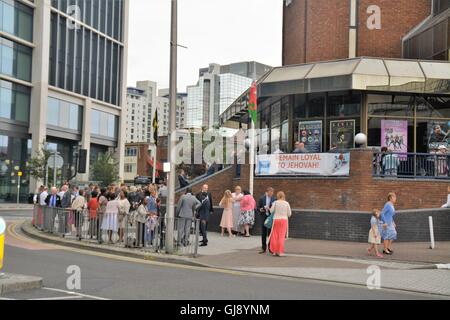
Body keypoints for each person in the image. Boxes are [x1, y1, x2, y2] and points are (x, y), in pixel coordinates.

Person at [268, 191, 292, 257]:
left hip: (276, 220)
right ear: (284, 196)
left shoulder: (275, 203)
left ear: (277, 196)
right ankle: (280, 251)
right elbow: (289, 214)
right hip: (284, 220)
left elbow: (271, 211)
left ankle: (274, 251)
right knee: (281, 236)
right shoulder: (286, 203)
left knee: (275, 235)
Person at [257, 187, 276, 254]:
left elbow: (275, 209)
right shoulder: (262, 198)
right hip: (264, 217)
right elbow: (258, 207)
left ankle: (270, 248)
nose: (271, 193)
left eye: (272, 192)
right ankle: (263, 248)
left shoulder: (274, 199)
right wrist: (260, 209)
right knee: (263, 233)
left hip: (270, 217)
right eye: (270, 192)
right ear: (267, 192)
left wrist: (270, 208)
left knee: (270, 233)